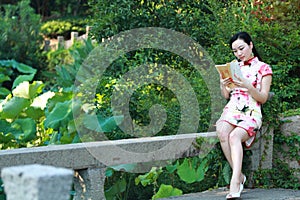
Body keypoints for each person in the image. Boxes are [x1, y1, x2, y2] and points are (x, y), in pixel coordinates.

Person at [216, 32, 272, 199]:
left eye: (241, 48)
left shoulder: (263, 68)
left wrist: (248, 86)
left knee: (234, 137)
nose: (239, 53)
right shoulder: (233, 66)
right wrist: (223, 84)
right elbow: (226, 95)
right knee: (222, 130)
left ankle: (235, 182)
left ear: (251, 45)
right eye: (235, 51)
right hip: (233, 108)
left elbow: (263, 97)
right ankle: (239, 176)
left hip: (251, 111)